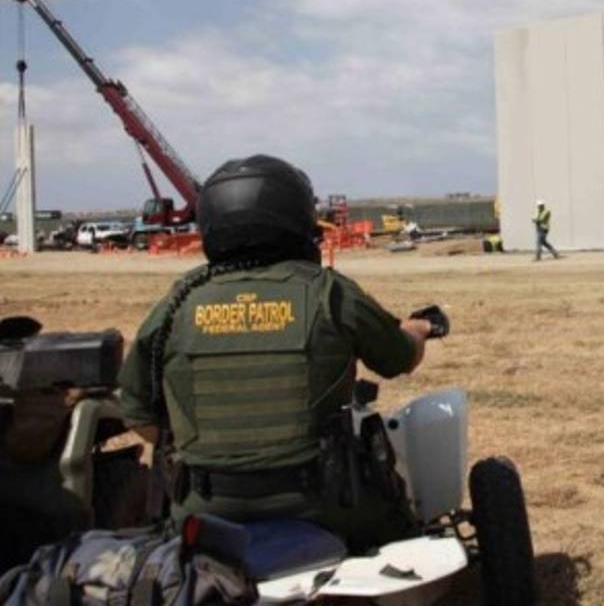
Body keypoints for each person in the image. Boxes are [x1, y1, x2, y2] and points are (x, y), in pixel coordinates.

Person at [117, 155, 433, 551]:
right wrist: (418, 330)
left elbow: (136, 411)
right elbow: (399, 358)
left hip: (204, 509)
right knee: (404, 533)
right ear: (297, 218)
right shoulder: (328, 292)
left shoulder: (178, 302)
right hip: (323, 503)